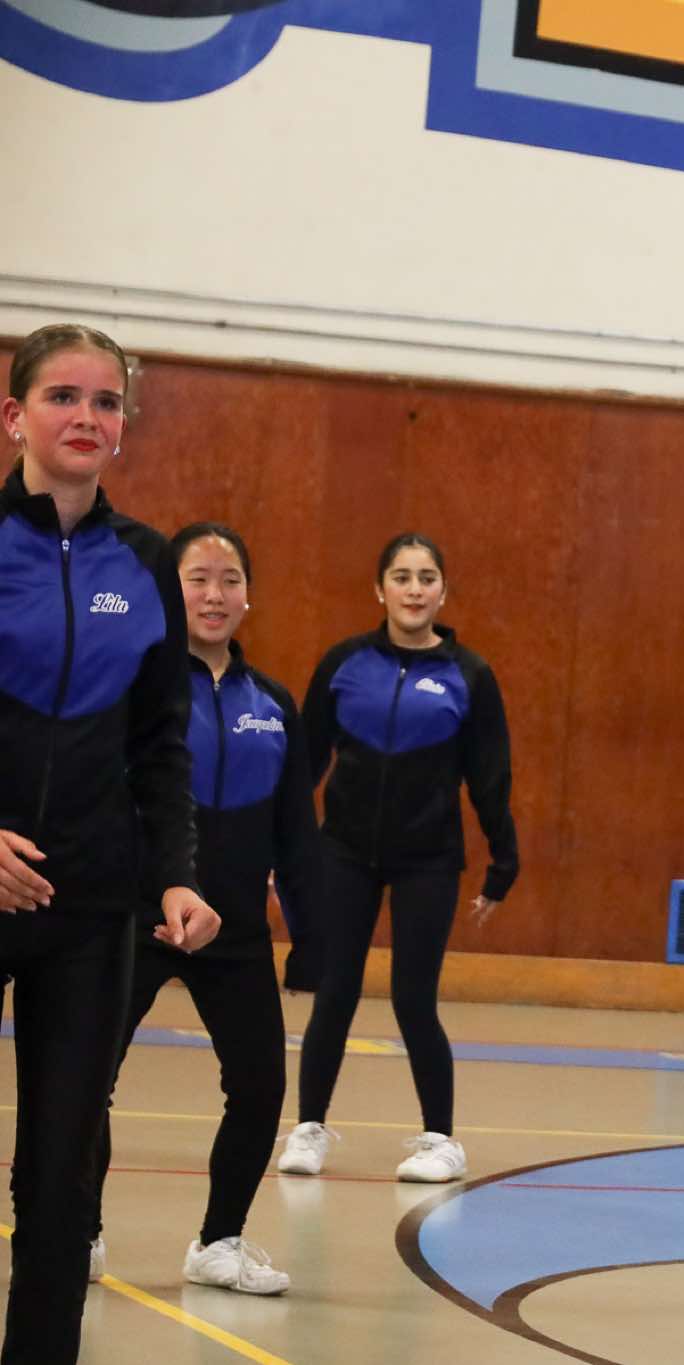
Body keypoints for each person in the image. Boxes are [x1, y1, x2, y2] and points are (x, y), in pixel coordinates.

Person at [0, 323, 220, 1362]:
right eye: (63, 397)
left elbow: (160, 740)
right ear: (15, 416)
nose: (86, 417)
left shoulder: (145, 561)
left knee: (61, 1173)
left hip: (91, 906)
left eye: (106, 401)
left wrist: (174, 873)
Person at [91, 521, 320, 1294]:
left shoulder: (274, 704)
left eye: (230, 579)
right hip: (136, 916)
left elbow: (296, 831)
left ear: (248, 595)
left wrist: (309, 933)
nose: (215, 594)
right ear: (169, 589)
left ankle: (220, 1240)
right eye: (197, 578)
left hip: (238, 932)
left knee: (259, 1087)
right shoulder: (133, 690)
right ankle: (80, 1228)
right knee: (89, 1076)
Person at [278, 532, 517, 1183]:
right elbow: (305, 764)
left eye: (426, 577)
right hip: (343, 853)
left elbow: (490, 776)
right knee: (335, 990)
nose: (414, 589)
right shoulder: (344, 664)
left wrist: (503, 861)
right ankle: (308, 1128)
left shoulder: (469, 675)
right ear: (379, 589)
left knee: (414, 998)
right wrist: (282, 847)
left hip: (428, 858)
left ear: (443, 591)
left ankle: (440, 1139)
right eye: (402, 577)